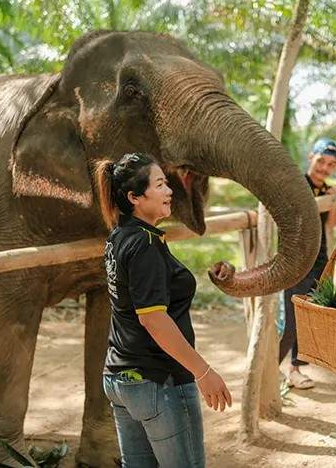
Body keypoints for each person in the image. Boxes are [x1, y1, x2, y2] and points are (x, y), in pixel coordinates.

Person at [95, 152, 234, 468]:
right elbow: (154, 320)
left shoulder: (118, 236)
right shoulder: (144, 245)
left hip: (122, 379)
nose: (170, 190)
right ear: (134, 197)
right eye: (159, 185)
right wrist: (204, 372)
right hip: (158, 382)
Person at [278, 137, 336, 389]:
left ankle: (295, 369)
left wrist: (334, 202)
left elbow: (331, 224)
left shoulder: (327, 190)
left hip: (320, 261)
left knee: (310, 318)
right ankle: (273, 367)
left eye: (331, 164)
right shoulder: (296, 185)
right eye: (321, 161)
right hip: (296, 260)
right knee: (292, 318)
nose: (324, 168)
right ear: (310, 157)